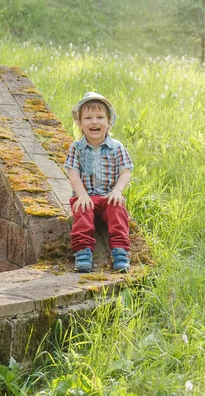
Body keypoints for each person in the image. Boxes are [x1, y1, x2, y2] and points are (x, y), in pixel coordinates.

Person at [64, 92, 134, 273]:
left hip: (108, 196)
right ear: (80, 123)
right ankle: (83, 251)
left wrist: (117, 191)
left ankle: (120, 251)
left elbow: (125, 172)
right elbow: (73, 173)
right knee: (82, 208)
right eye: (87, 118)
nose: (94, 122)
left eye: (100, 117)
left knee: (118, 209)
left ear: (109, 121)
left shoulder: (116, 147)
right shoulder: (77, 148)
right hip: (86, 195)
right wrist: (82, 194)